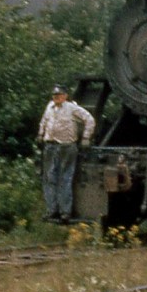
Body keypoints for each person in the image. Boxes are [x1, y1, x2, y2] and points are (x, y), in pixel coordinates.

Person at [37, 84, 95, 223]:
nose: (56, 97)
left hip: (66, 147)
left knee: (65, 178)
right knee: (49, 178)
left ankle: (65, 212)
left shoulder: (72, 108)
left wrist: (86, 137)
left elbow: (90, 120)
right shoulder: (49, 107)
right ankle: (52, 210)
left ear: (65, 96)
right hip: (50, 146)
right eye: (54, 95)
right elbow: (44, 121)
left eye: (59, 95)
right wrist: (40, 134)